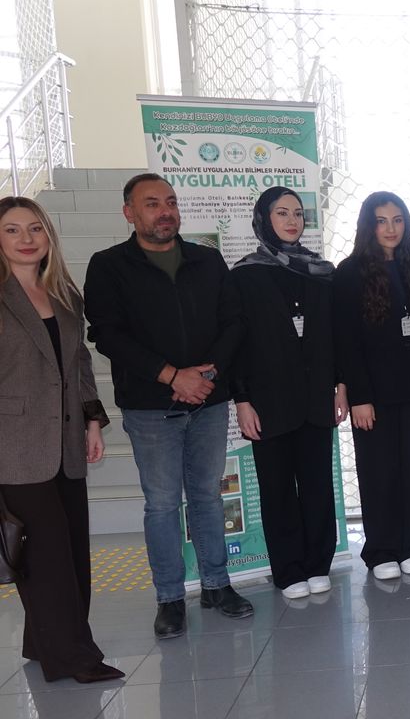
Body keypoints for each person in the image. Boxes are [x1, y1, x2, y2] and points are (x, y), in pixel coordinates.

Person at [84, 174, 253, 639]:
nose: (165, 211)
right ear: (129, 213)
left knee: (207, 497)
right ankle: (170, 598)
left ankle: (217, 585)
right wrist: (172, 376)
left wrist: (206, 376)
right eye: (152, 203)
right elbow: (107, 334)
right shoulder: (108, 266)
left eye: (171, 202)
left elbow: (234, 322)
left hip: (208, 401)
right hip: (150, 407)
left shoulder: (207, 259)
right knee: (161, 504)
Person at [0, 197, 122, 683]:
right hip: (14, 447)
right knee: (47, 555)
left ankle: (41, 641)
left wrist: (92, 421)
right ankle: (73, 658)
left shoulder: (64, 293)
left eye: (35, 228)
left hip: (67, 442)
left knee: (70, 550)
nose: (26, 238)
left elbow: (79, 364)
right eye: (12, 230)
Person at [229, 186, 345, 599]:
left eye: (297, 213)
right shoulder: (244, 275)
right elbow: (236, 343)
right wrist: (242, 400)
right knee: (277, 488)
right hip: (268, 401)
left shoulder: (322, 273)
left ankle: (318, 563)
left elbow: (335, 338)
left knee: (317, 485)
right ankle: (289, 570)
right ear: (264, 219)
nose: (292, 220)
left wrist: (340, 386)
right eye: (282, 213)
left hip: (316, 397)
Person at [333, 192, 410, 581]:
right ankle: (380, 550)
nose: (391, 228)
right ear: (368, 226)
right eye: (381, 221)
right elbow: (346, 341)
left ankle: (409, 546)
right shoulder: (349, 272)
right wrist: (359, 396)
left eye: (397, 220)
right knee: (379, 471)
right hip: (372, 394)